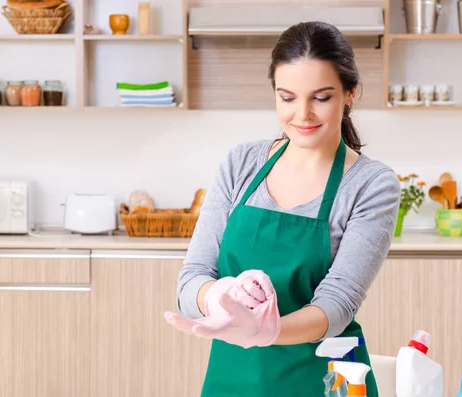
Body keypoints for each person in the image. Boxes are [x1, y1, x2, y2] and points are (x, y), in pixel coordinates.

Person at [164, 21, 401, 397]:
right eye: (287, 97)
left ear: (350, 93)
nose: (302, 115)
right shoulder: (241, 163)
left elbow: (337, 303)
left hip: (329, 382)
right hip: (233, 378)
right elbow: (192, 278)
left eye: (321, 97)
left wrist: (267, 330)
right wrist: (221, 297)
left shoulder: (371, 185)